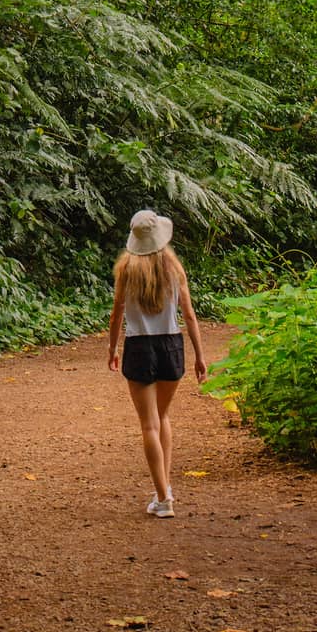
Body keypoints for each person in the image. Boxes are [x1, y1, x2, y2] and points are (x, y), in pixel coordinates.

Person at [107, 209, 208, 518]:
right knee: (163, 417)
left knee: (149, 423)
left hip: (139, 346)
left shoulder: (126, 270)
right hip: (171, 345)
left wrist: (112, 348)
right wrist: (200, 356)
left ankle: (163, 497)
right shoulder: (174, 269)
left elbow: (117, 314)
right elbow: (189, 315)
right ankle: (165, 490)